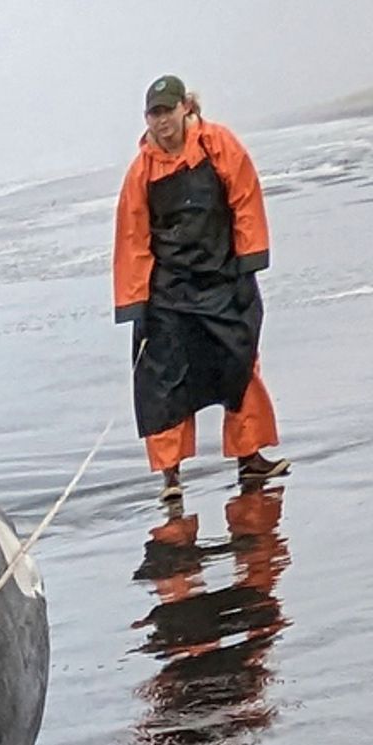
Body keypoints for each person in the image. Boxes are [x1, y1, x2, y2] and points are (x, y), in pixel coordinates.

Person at [112, 74, 281, 501]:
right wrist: (136, 302)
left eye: (167, 110)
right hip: (168, 290)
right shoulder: (141, 172)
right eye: (154, 113)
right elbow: (133, 238)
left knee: (239, 364)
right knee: (164, 382)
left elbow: (245, 198)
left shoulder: (219, 145)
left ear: (186, 107)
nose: (162, 121)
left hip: (222, 278)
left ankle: (250, 458)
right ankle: (170, 477)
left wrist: (249, 264)